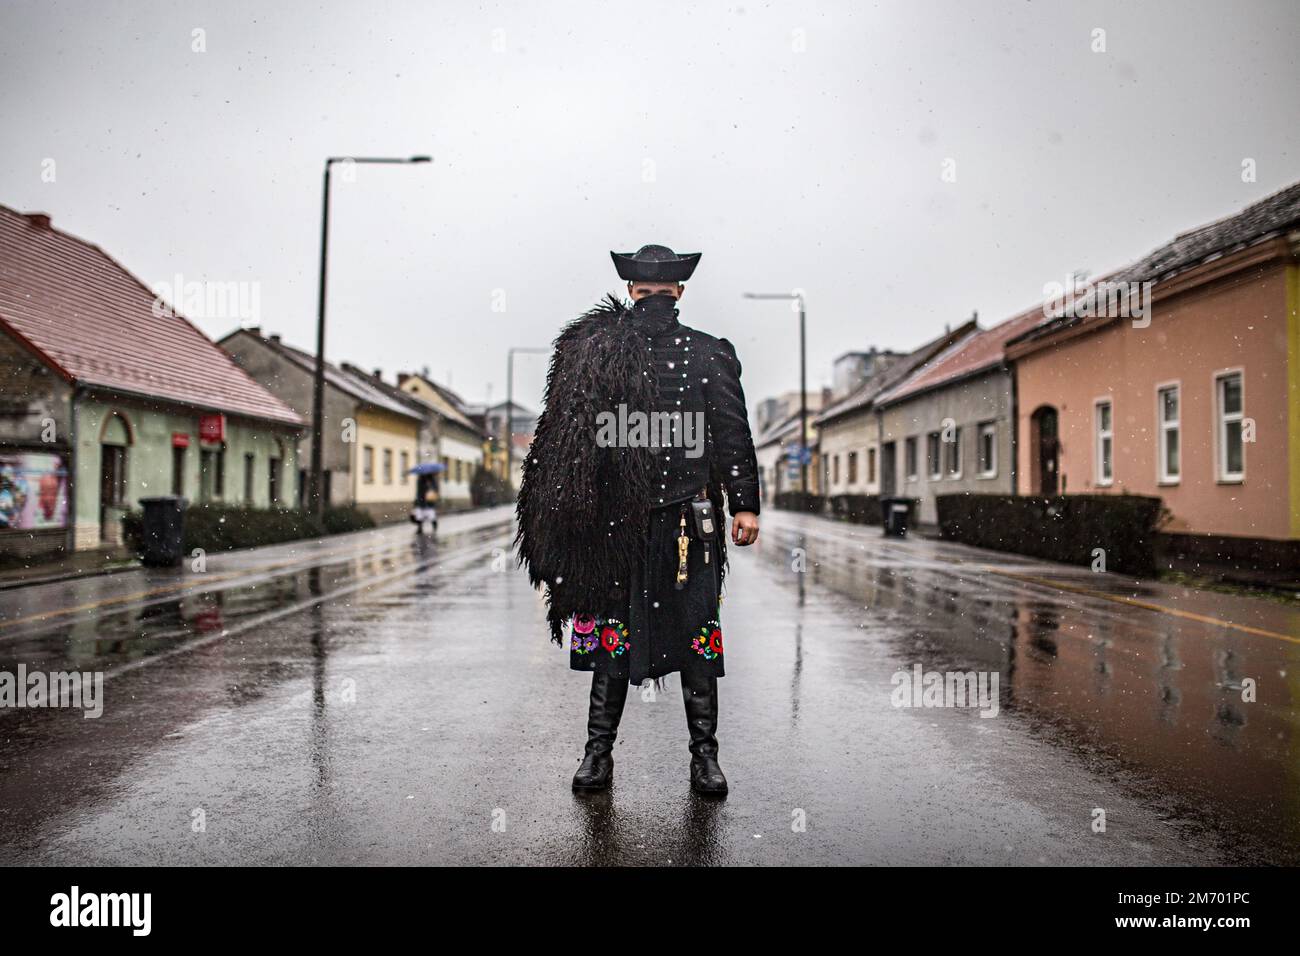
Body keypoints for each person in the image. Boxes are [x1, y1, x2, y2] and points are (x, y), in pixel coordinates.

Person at [515, 243, 760, 798]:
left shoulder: (701, 354)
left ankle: (670, 758)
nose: (651, 298)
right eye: (651, 291)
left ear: (645, 290)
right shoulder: (605, 353)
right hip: (619, 523)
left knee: (686, 632)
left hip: (683, 523)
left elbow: (728, 434)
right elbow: (570, 442)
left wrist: (744, 499)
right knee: (622, 635)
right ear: (676, 290)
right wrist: (743, 504)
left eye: (653, 290)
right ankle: (628, 757)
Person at [411, 471, 438, 535]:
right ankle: (420, 528)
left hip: (429, 501)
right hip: (421, 501)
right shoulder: (420, 480)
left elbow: (435, 489)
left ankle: (434, 526)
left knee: (431, 515)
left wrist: (430, 488)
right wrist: (417, 501)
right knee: (419, 515)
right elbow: (418, 491)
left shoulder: (432, 480)